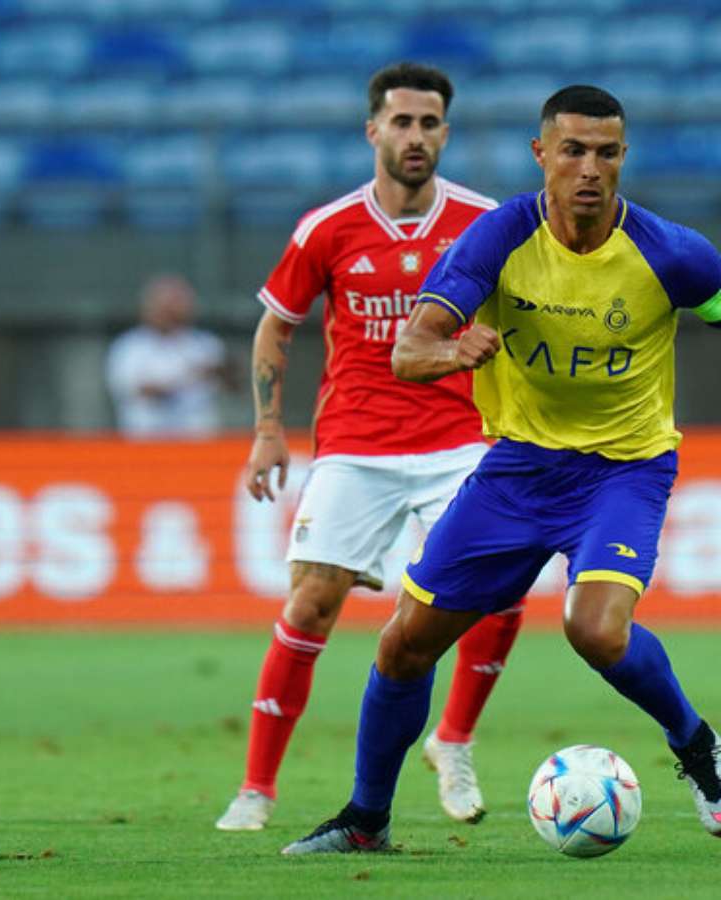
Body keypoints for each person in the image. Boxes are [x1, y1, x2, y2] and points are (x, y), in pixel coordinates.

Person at [283, 84, 721, 856]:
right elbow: (408, 350)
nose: (590, 168)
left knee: (595, 629)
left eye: (607, 152)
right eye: (574, 150)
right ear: (541, 155)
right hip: (516, 471)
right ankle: (365, 820)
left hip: (623, 471)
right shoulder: (499, 238)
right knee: (404, 644)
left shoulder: (673, 255)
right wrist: (455, 349)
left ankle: (700, 750)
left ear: (623, 159)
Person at [216, 62, 526, 833]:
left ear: (445, 134)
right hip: (357, 442)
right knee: (311, 601)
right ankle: (257, 787)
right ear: (373, 131)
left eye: (428, 124)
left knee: (505, 586)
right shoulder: (327, 228)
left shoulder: (485, 222)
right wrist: (264, 431)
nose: (414, 137)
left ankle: (452, 740)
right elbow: (275, 325)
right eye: (401, 122)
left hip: (461, 438)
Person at [106, 273, 234, 437]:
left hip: (199, 441)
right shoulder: (130, 346)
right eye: (165, 304)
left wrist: (222, 371)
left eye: (177, 303)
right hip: (147, 441)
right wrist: (190, 376)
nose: (170, 311)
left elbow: (233, 387)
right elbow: (139, 390)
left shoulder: (206, 344)